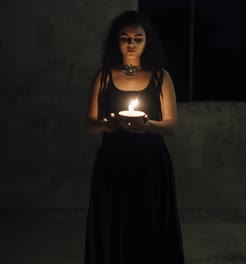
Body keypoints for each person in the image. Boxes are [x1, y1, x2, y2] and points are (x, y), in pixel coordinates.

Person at [84, 10, 185, 264]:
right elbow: (90, 126)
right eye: (124, 38)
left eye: (137, 38)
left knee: (148, 228)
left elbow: (171, 127)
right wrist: (109, 124)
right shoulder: (104, 77)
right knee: (113, 227)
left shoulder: (161, 77)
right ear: (115, 41)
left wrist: (147, 124)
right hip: (113, 167)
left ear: (146, 41)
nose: (131, 44)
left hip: (150, 167)